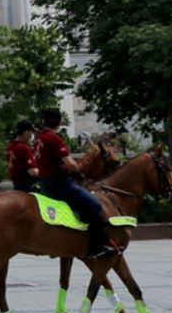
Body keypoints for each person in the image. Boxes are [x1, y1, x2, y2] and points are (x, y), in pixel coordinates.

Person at [34, 108, 116, 259]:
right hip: (59, 183)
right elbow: (70, 163)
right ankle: (96, 248)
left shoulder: (39, 138)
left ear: (43, 121)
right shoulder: (54, 138)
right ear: (59, 122)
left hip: (44, 182)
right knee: (95, 205)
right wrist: (77, 170)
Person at [6, 120, 40, 192]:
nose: (31, 136)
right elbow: (33, 172)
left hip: (16, 184)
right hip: (27, 186)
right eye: (31, 132)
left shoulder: (10, 147)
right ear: (26, 132)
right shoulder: (23, 148)